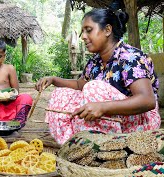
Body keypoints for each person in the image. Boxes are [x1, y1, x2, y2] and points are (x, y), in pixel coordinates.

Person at [35, 8, 160, 144]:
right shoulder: (95, 61)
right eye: (83, 31)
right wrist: (53, 79)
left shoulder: (130, 57)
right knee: (62, 95)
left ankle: (105, 146)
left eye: (88, 30)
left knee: (93, 88)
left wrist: (103, 107)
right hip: (115, 119)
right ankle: (75, 143)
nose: (83, 36)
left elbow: (147, 101)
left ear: (107, 30)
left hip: (141, 122)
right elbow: (79, 85)